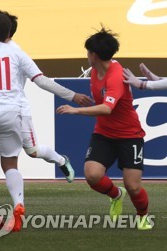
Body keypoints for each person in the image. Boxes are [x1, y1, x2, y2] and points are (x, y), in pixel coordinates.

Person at [0, 11, 91, 232]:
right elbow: (42, 81)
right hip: (12, 112)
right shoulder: (18, 54)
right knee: (10, 164)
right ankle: (19, 203)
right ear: (9, 32)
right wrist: (72, 95)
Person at [56, 27, 152, 230]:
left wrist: (75, 111)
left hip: (129, 135)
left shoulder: (115, 75)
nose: (87, 55)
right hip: (104, 134)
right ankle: (116, 195)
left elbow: (107, 108)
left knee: (133, 186)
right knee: (92, 175)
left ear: (94, 55)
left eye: (88, 52)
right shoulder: (95, 71)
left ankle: (142, 215)